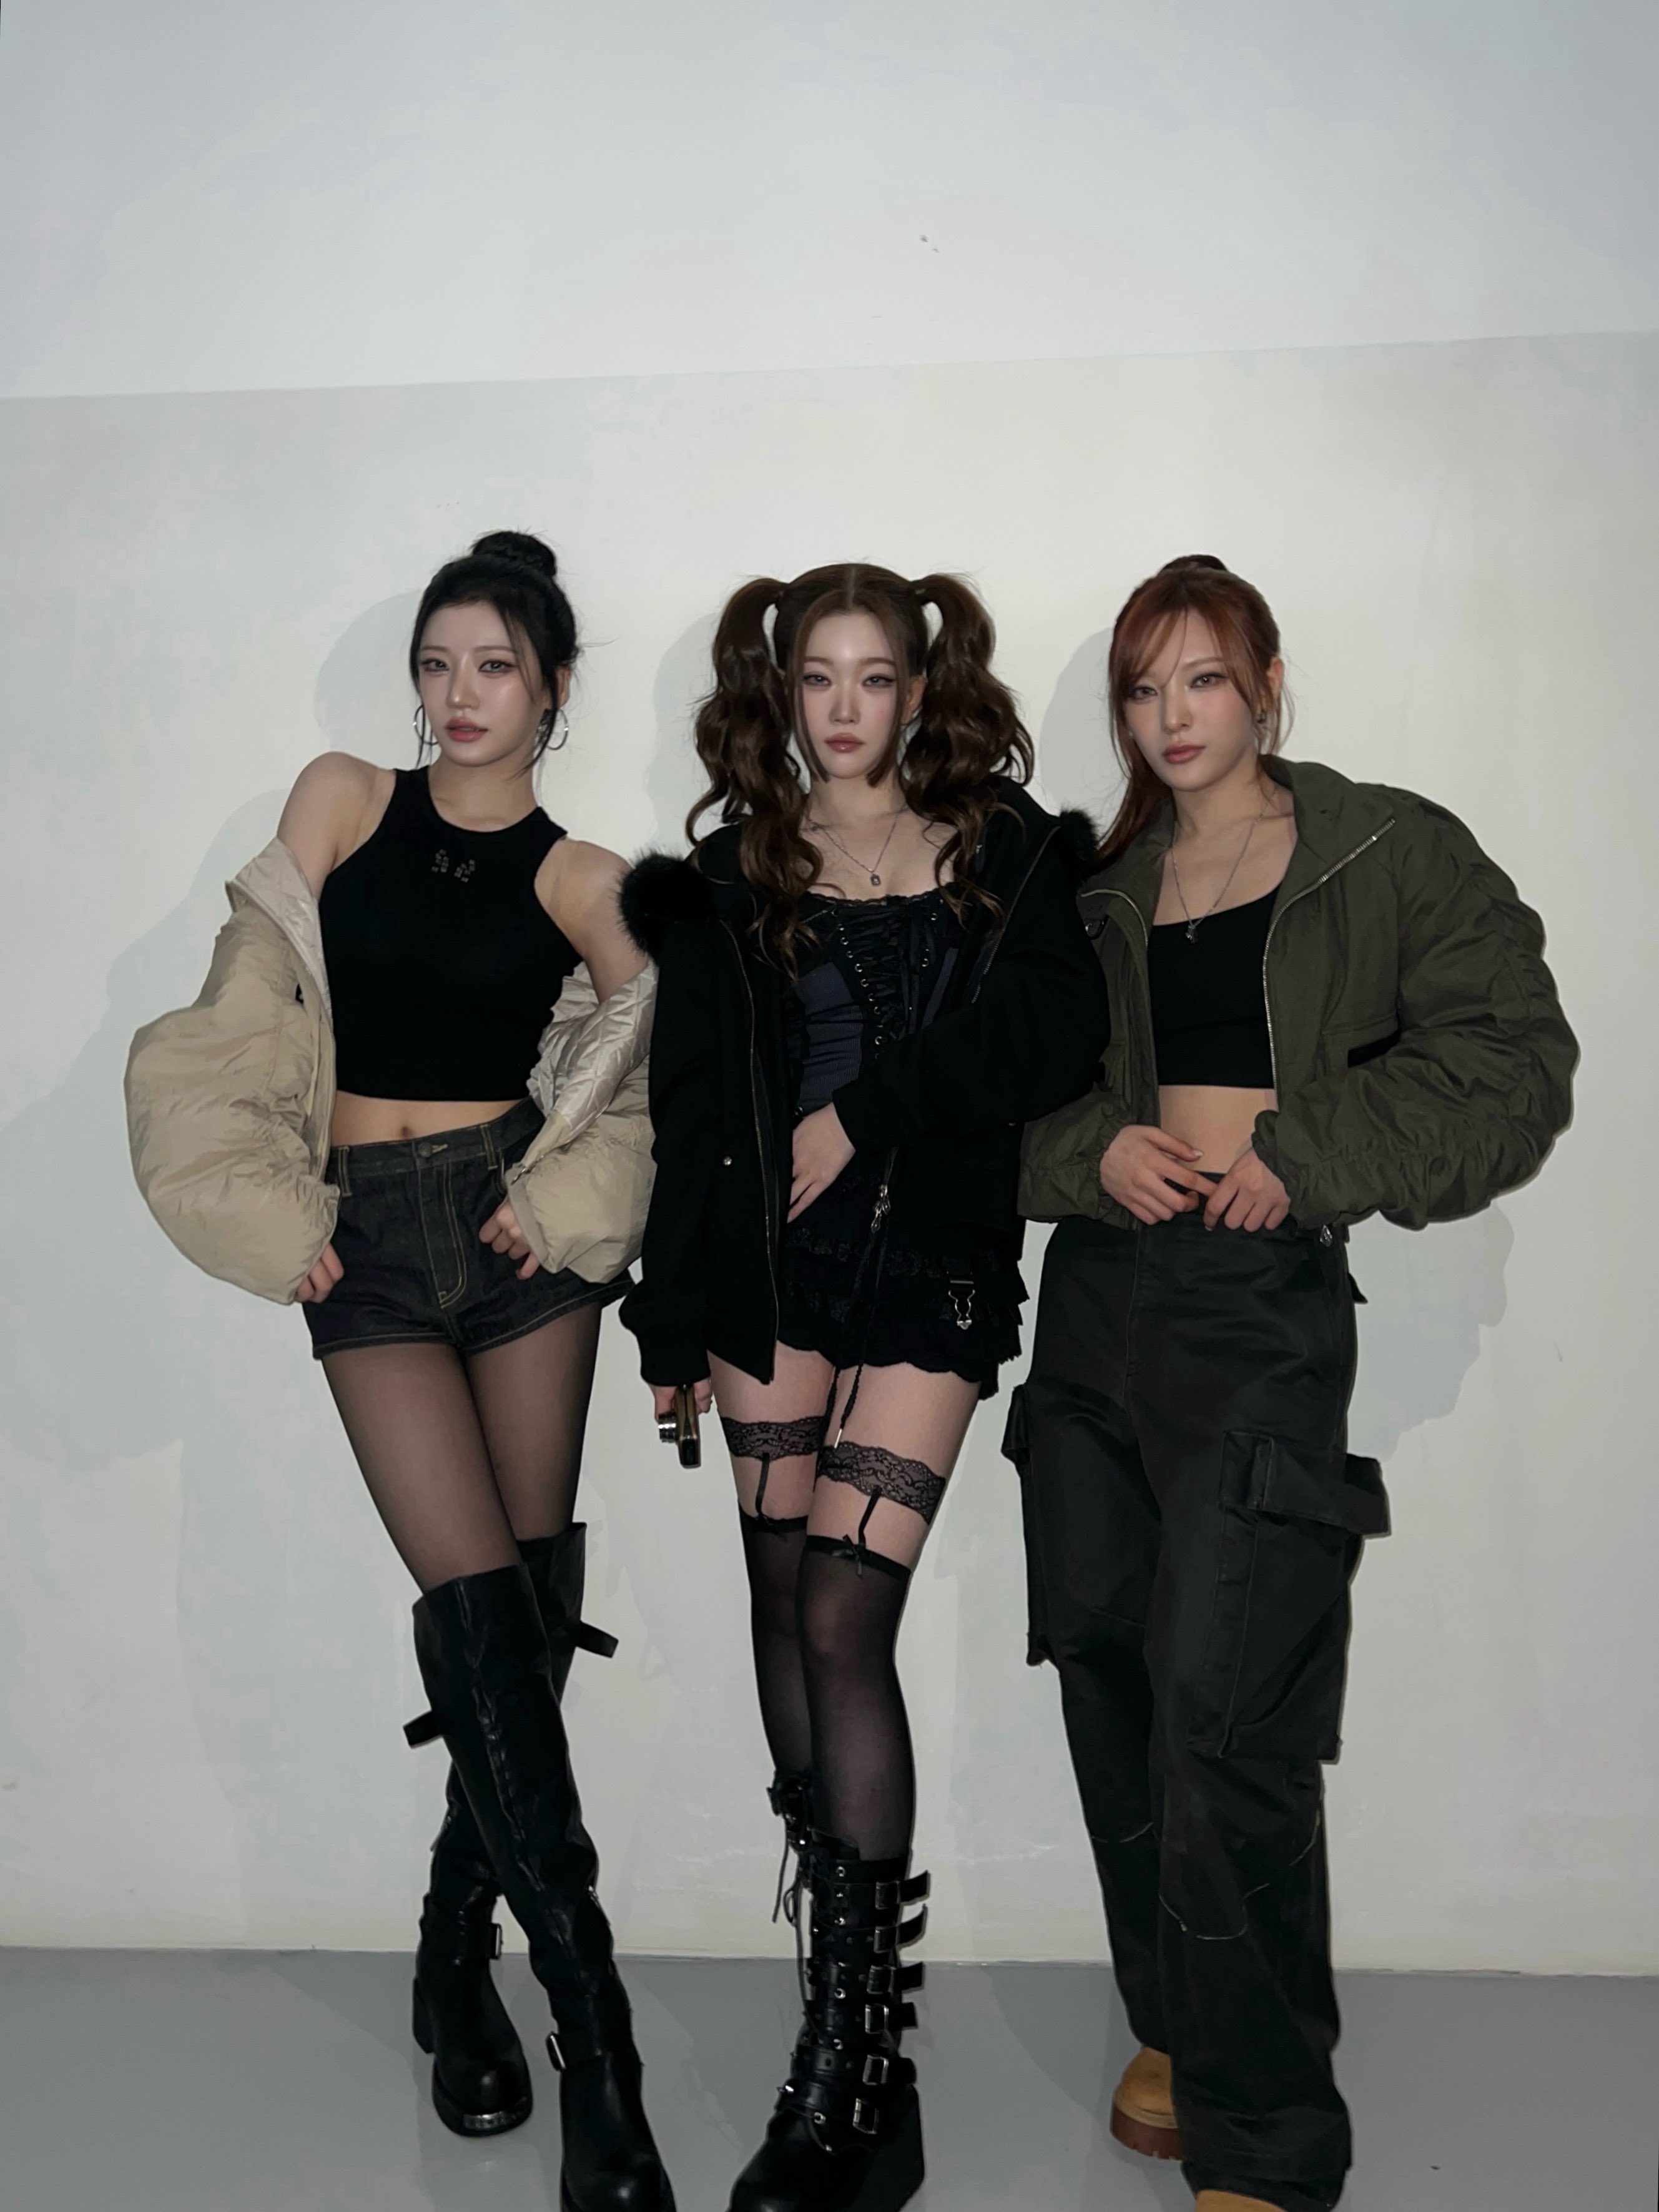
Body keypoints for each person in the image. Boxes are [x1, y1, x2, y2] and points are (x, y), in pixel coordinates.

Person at [1012, 554, 1577, 2212]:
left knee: (1229, 1709)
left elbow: (1510, 1060)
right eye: (1141, 688)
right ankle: (1178, 2027)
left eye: (1201, 678)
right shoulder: (1097, 888)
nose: (1171, 716)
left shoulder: (1382, 852)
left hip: (1256, 1315)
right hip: (1096, 1303)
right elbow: (994, 1098)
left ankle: (1266, 2130)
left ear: (1264, 682)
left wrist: (1309, 1153)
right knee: (1108, 1677)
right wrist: (1090, 1152)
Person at [126, 531, 673, 2212]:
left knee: (521, 1611)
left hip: (510, 1243)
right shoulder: (344, 798)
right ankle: (590, 2030)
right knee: (474, 1599)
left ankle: (473, 1969)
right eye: (436, 664)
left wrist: (558, 1195)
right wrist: (264, 1209)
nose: (457, 694)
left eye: (493, 666)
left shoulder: (582, 873)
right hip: (359, 1238)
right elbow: (246, 1001)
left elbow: (654, 1031)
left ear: (551, 688)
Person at [619, 563, 1110, 2212]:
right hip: (766, 1281)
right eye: (815, 679)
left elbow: (1055, 1039)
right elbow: (694, 1112)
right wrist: (669, 1321)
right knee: (779, 1605)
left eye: (873, 677)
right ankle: (840, 2017)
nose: (843, 709)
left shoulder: (1007, 851)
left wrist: (867, 1110)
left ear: (919, 686)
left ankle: (857, 2078)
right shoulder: (724, 876)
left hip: (929, 1271)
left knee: (842, 1614)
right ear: (779, 694)